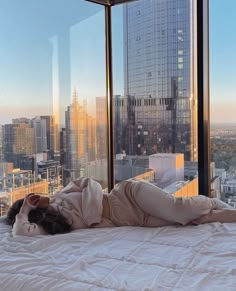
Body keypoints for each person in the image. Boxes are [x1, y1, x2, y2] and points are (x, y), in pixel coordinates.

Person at [6, 177, 236, 237]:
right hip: (132, 220)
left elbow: (90, 183)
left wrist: (42, 199)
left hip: (127, 197)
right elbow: (21, 234)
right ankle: (225, 212)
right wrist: (23, 212)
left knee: (178, 210)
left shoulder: (60, 197)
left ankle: (210, 200)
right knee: (194, 221)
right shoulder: (50, 227)